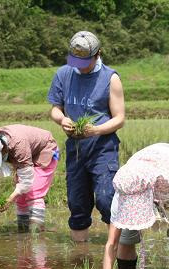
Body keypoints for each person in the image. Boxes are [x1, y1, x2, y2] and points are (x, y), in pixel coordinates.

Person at [48, 30, 125, 242]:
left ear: (97, 54)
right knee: (77, 203)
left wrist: (97, 130)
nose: (79, 66)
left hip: (103, 148)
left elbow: (119, 118)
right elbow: (55, 109)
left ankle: (115, 250)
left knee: (106, 198)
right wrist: (62, 120)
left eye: (85, 61)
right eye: (76, 60)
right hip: (76, 148)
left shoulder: (111, 78)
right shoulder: (63, 74)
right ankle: (80, 258)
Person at [0, 124, 58, 231]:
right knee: (21, 198)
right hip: (25, 153)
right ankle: (23, 235)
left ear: (2, 148)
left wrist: (9, 200)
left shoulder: (18, 144)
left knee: (34, 192)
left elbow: (26, 180)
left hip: (44, 149)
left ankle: (36, 237)